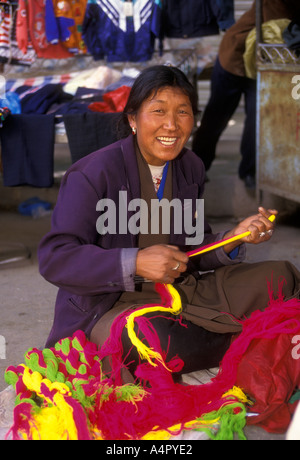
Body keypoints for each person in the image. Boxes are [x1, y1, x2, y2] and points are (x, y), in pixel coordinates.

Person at [38, 65, 300, 382]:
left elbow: (191, 250)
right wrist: (135, 262)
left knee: (282, 277)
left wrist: (233, 238)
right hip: (113, 305)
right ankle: (245, 342)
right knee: (149, 338)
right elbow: (56, 258)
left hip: (182, 292)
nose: (171, 125)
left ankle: (225, 343)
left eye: (183, 112)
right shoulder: (93, 173)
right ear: (133, 119)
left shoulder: (190, 167)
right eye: (158, 111)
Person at [192, 0, 300, 189]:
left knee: (256, 122)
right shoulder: (276, 4)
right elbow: (278, 31)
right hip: (234, 60)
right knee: (216, 117)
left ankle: (248, 172)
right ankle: (197, 169)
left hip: (258, 66)